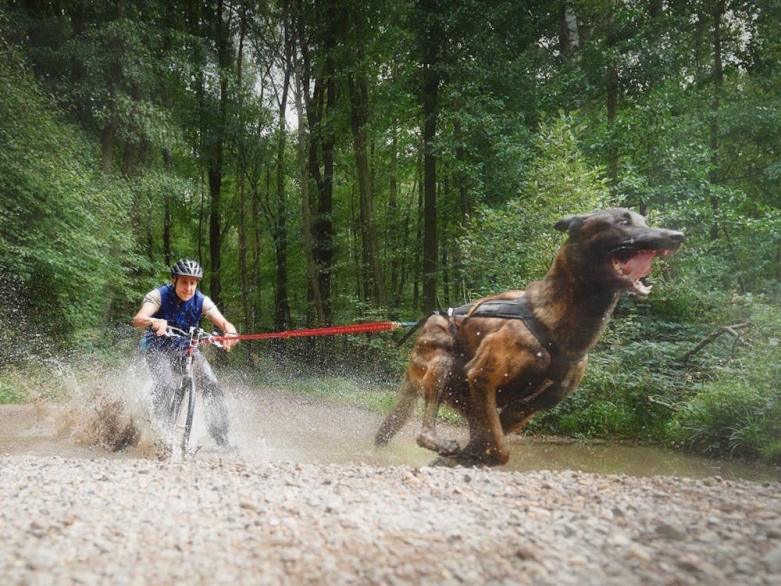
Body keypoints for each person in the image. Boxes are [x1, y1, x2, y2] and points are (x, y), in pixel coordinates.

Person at [132, 259, 238, 449]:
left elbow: (225, 324)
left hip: (187, 348)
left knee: (212, 384)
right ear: (174, 281)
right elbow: (139, 319)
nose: (188, 288)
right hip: (159, 349)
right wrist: (152, 321)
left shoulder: (202, 301)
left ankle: (222, 439)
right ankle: (161, 435)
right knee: (164, 386)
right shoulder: (158, 295)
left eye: (193, 283)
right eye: (184, 282)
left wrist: (230, 332)